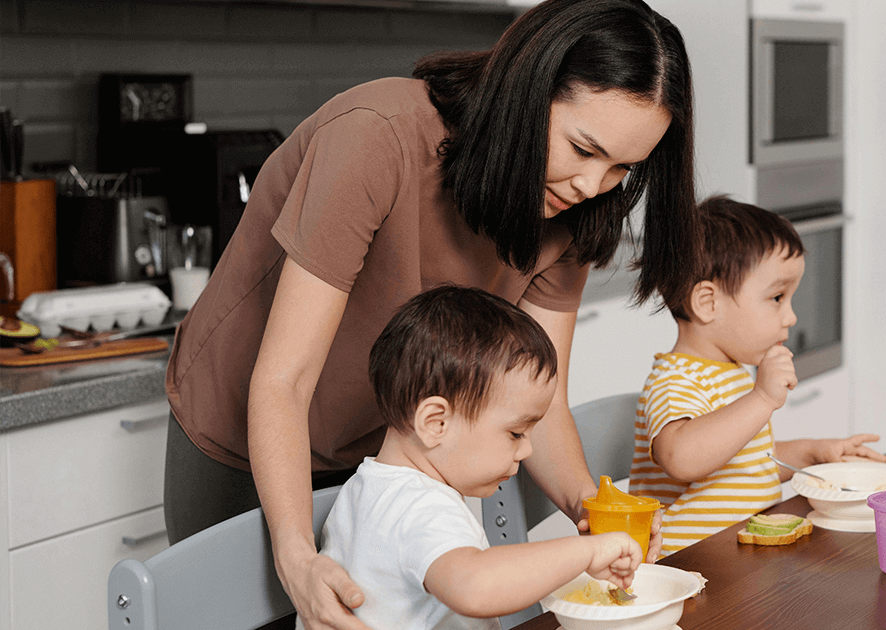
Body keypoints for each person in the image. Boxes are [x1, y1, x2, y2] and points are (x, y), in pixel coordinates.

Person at [161, 1, 697, 628]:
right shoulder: (375, 135)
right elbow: (285, 379)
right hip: (249, 432)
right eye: (583, 148)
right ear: (528, 90)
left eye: (622, 169)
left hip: (392, 448)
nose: (591, 185)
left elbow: (541, 399)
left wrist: (591, 507)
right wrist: (295, 556)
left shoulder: (572, 214)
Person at [295, 286, 643, 630]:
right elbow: (474, 586)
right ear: (436, 423)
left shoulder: (365, 487)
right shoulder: (422, 507)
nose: (527, 450)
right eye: (515, 433)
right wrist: (588, 552)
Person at [628, 196, 886, 555]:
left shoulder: (732, 371)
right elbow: (682, 459)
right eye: (777, 297)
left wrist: (813, 453)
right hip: (686, 568)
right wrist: (761, 399)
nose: (791, 317)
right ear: (707, 303)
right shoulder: (676, 381)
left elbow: (746, 463)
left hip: (740, 566)